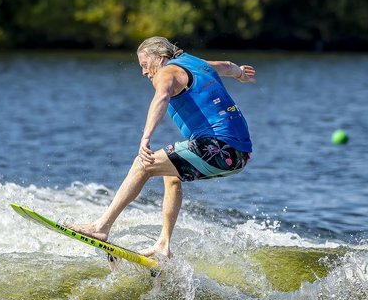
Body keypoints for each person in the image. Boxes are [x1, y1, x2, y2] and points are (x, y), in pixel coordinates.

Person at [68, 36, 256, 259]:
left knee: (143, 164)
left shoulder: (166, 72)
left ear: (161, 58)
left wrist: (145, 138)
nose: (144, 72)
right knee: (171, 175)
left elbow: (162, 97)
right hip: (239, 155)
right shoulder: (196, 63)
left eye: (145, 65)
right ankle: (163, 245)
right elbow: (226, 66)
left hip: (218, 147)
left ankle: (101, 227)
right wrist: (240, 73)